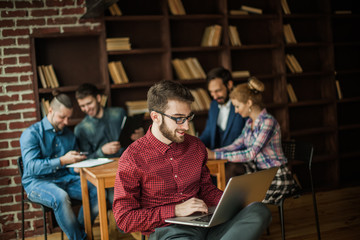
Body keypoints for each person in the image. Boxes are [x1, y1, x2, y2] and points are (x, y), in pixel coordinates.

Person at [113, 80, 271, 239]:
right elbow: (124, 219)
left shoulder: (196, 146)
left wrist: (230, 203)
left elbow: (206, 189)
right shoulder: (132, 158)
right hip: (170, 232)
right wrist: (175, 210)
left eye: (188, 117)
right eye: (179, 118)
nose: (186, 126)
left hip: (207, 222)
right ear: (156, 116)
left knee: (258, 210)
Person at [207, 77, 299, 205]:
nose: (236, 110)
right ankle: (226, 209)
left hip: (275, 175)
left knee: (241, 197)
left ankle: (231, 211)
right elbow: (236, 145)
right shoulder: (250, 122)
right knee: (231, 169)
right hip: (259, 173)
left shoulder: (268, 122)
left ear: (249, 103)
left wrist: (215, 155)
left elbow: (251, 154)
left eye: (237, 106)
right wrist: (212, 153)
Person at [20, 92, 99, 240]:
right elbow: (31, 167)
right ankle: (80, 237)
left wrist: (77, 166)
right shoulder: (31, 134)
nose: (66, 121)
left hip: (65, 178)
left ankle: (80, 234)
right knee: (60, 197)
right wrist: (62, 160)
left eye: (68, 117)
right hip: (37, 182)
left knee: (96, 190)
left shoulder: (69, 135)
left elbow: (71, 167)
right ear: (50, 110)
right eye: (62, 117)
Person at [199, 67, 248, 180]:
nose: (214, 96)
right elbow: (208, 133)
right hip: (216, 156)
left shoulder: (243, 105)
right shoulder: (213, 105)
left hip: (236, 160)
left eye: (218, 91)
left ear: (229, 85)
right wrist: (196, 145)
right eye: (211, 92)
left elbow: (245, 140)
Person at [74, 83, 144, 160]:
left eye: (89, 103)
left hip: (128, 161)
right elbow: (85, 159)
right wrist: (102, 151)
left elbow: (133, 140)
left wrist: (141, 136)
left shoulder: (119, 113)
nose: (86, 109)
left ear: (98, 98)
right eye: (82, 106)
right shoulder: (80, 129)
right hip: (101, 168)